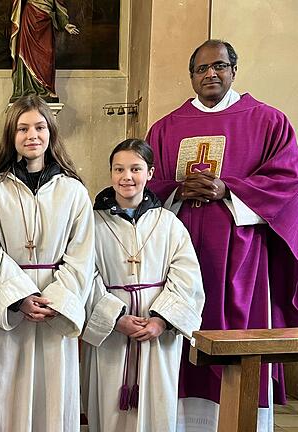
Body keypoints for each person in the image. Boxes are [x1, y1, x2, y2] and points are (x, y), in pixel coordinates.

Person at [146, 39, 298, 431]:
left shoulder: (268, 121)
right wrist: (177, 191)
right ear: (192, 76)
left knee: (234, 332)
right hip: (179, 252)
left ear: (234, 70)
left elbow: (287, 182)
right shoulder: (165, 128)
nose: (210, 74)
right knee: (183, 334)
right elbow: (146, 186)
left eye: (219, 66)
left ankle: (240, 419)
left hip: (241, 256)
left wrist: (228, 189)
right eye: (201, 68)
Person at [0, 94, 94, 432]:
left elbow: (81, 255)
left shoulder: (73, 192)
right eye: (23, 129)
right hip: (10, 311)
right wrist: (20, 298)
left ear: (51, 133)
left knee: (52, 398)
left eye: (39, 127)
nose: (32, 135)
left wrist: (56, 299)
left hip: (56, 312)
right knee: (4, 396)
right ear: (11, 137)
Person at [80, 139, 205, 431]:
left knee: (156, 407)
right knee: (109, 407)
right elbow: (84, 275)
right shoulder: (92, 224)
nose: (127, 177)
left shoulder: (169, 224)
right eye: (119, 169)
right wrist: (116, 318)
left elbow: (187, 277)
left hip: (157, 335)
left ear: (149, 173)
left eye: (135, 169)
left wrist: (161, 321)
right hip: (112, 334)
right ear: (110, 173)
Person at [10, 0, 79, 102]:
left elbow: (59, 6)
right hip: (30, 18)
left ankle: (45, 89)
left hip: (46, 21)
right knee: (27, 53)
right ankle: (26, 90)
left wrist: (65, 24)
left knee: (48, 54)